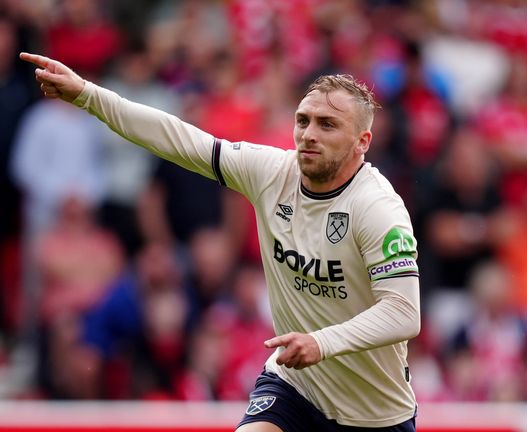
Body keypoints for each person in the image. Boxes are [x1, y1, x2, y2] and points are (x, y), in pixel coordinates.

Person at [21, 52, 420, 431]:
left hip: (371, 414)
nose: (309, 135)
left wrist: (321, 342)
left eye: (327, 125)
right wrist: (86, 94)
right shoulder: (271, 173)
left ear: (362, 141)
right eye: (303, 120)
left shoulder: (377, 208)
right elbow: (177, 139)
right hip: (297, 388)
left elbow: (404, 313)